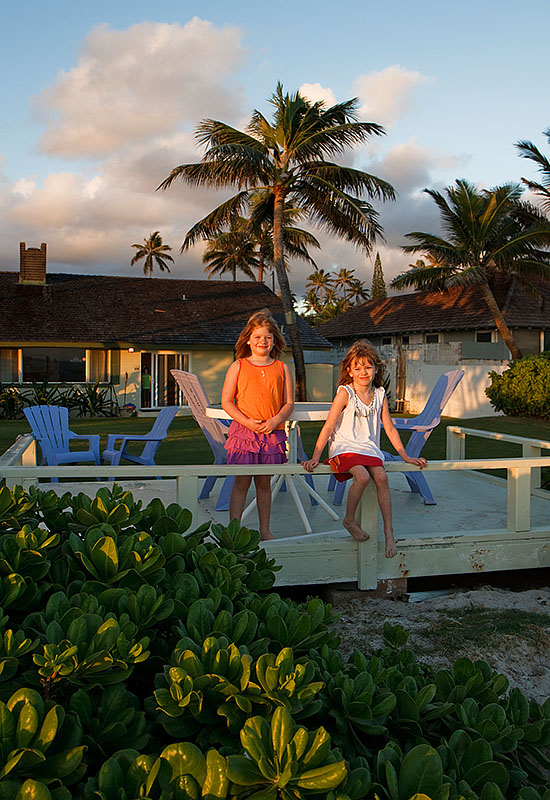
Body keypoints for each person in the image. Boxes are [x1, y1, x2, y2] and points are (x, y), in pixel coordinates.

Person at [302, 340, 426, 557]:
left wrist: (405, 456)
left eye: (368, 367)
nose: (363, 372)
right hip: (344, 447)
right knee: (361, 476)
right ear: (349, 370)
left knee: (381, 477)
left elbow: (389, 427)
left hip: (368, 449)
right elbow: (329, 425)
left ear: (376, 368)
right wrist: (315, 456)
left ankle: (389, 532)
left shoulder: (379, 394)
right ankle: (348, 520)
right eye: (357, 367)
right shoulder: (345, 393)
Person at [221, 309, 294, 541]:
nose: (263, 341)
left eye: (268, 337)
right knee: (241, 483)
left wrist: (275, 421)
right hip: (244, 433)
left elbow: (289, 403)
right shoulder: (238, 366)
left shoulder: (282, 368)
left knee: (264, 484)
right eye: (258, 337)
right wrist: (247, 422)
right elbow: (227, 401)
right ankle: (234, 531)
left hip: (271, 434)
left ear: (274, 341)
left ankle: (265, 530)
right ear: (248, 340)